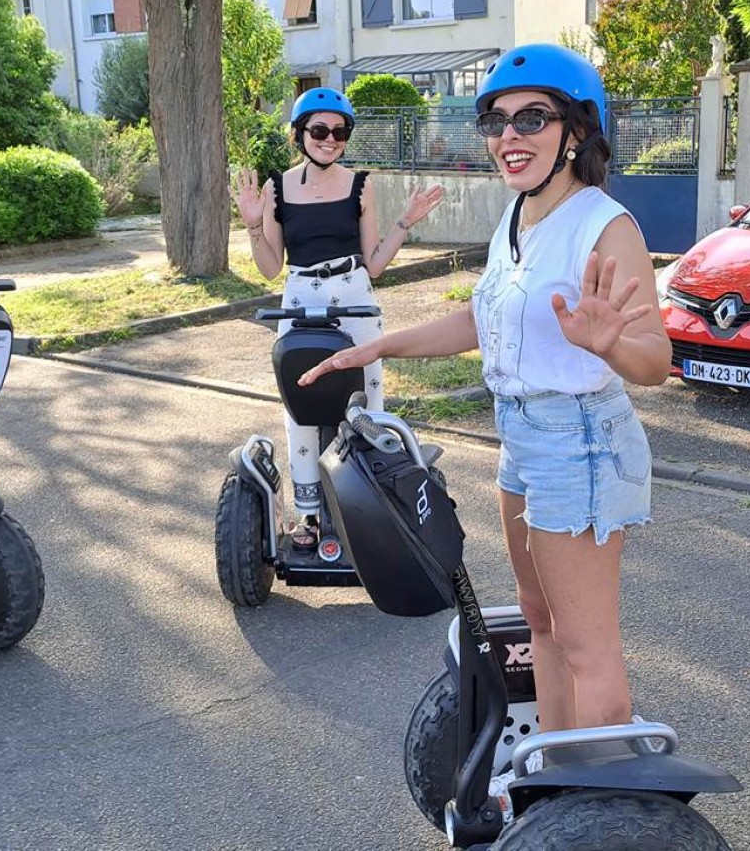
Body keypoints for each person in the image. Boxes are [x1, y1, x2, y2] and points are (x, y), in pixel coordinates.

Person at [299, 46, 670, 741]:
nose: (509, 136)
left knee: (587, 646)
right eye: (494, 121)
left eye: (532, 117)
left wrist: (610, 344)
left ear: (578, 131)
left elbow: (655, 360)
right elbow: (482, 319)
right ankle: (557, 779)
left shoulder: (604, 226)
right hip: (522, 438)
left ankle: (599, 809)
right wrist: (380, 345)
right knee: (539, 620)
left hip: (580, 439)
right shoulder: (516, 220)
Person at [232, 87, 444, 549]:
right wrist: (252, 222)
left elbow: (374, 262)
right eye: (319, 130)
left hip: (353, 293)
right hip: (300, 293)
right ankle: (307, 516)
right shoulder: (277, 187)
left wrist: (405, 223)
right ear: (300, 134)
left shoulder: (359, 185)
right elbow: (270, 267)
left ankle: (370, 505)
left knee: (364, 405)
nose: (330, 139)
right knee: (301, 403)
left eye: (340, 131)